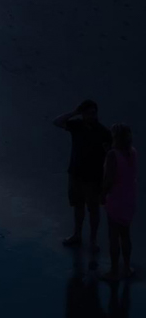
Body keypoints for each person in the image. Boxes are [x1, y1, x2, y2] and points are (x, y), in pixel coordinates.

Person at [55, 99, 112, 249]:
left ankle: (93, 239)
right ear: (83, 114)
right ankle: (77, 234)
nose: (91, 116)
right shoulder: (77, 126)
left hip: (94, 177)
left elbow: (110, 156)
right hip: (76, 173)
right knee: (78, 206)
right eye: (88, 113)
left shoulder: (104, 132)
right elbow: (57, 121)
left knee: (93, 210)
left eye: (93, 113)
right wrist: (74, 112)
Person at [102, 123, 137, 281]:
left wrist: (103, 194)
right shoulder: (133, 152)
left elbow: (109, 179)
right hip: (129, 198)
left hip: (116, 198)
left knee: (113, 236)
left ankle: (114, 270)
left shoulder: (112, 155)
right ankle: (127, 267)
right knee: (125, 234)